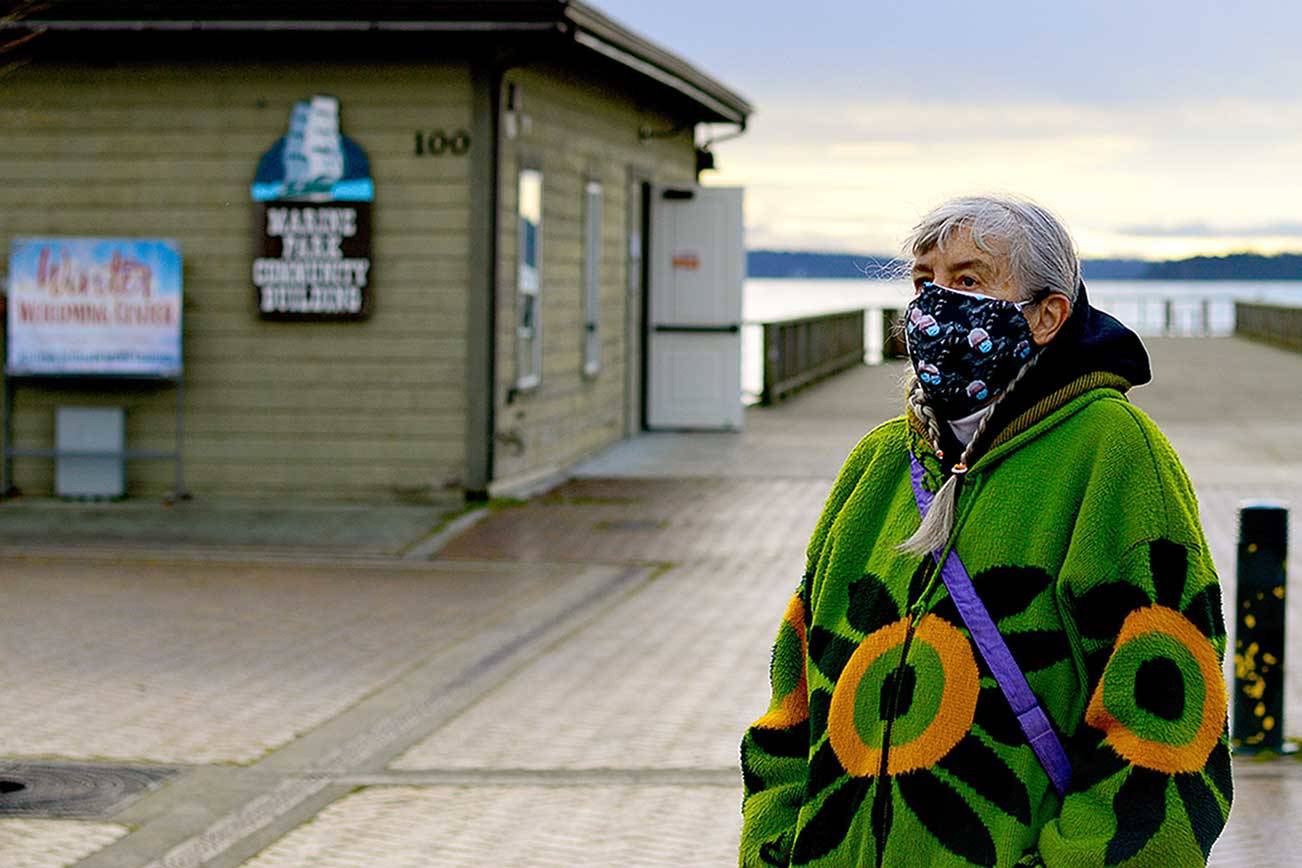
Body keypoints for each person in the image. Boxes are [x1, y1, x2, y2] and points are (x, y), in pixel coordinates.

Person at [739, 195, 1232, 867]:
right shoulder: (881, 462)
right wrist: (772, 849)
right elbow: (794, 689)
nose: (936, 305)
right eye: (924, 282)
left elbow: (1167, 729)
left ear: (1048, 315)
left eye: (969, 281)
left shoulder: (1112, 453)